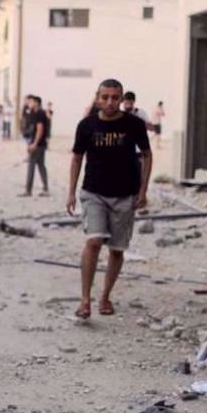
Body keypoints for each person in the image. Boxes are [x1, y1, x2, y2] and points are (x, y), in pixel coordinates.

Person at [67, 79, 153, 320]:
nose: (110, 102)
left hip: (125, 195)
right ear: (97, 97)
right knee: (93, 241)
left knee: (116, 250)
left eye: (115, 97)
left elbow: (147, 155)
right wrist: (71, 192)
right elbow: (76, 158)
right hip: (93, 192)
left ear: (122, 98)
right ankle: (85, 300)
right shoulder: (86, 125)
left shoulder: (134, 125)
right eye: (105, 97)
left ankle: (105, 296)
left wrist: (143, 191)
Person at [21, 95, 50, 197]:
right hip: (40, 144)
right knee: (41, 166)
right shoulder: (36, 113)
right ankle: (46, 189)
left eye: (31, 101)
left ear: (36, 103)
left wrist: (34, 143)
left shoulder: (39, 113)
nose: (29, 103)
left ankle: (28, 190)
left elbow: (40, 129)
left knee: (31, 166)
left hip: (38, 144)